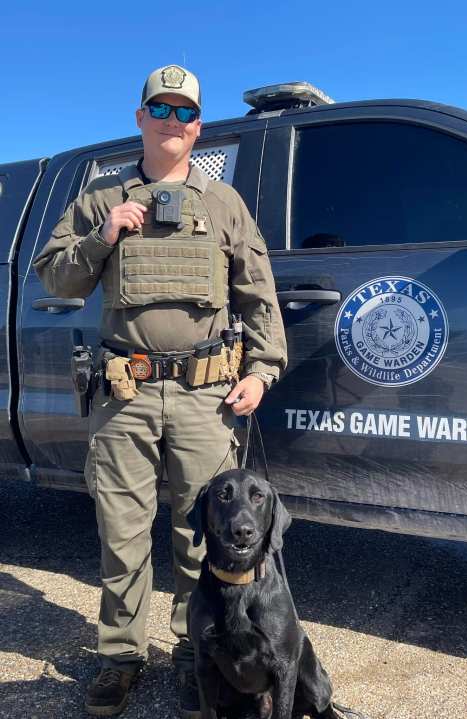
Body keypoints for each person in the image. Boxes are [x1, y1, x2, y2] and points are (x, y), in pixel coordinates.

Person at [33, 64, 287, 717]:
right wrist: (104, 233)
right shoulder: (101, 199)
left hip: (208, 393)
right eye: (160, 109)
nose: (172, 122)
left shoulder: (224, 203)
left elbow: (258, 292)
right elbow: (56, 281)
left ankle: (191, 648)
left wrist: (260, 370)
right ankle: (120, 654)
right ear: (140, 117)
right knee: (121, 530)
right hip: (128, 390)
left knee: (199, 531)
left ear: (197, 126)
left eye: (184, 113)